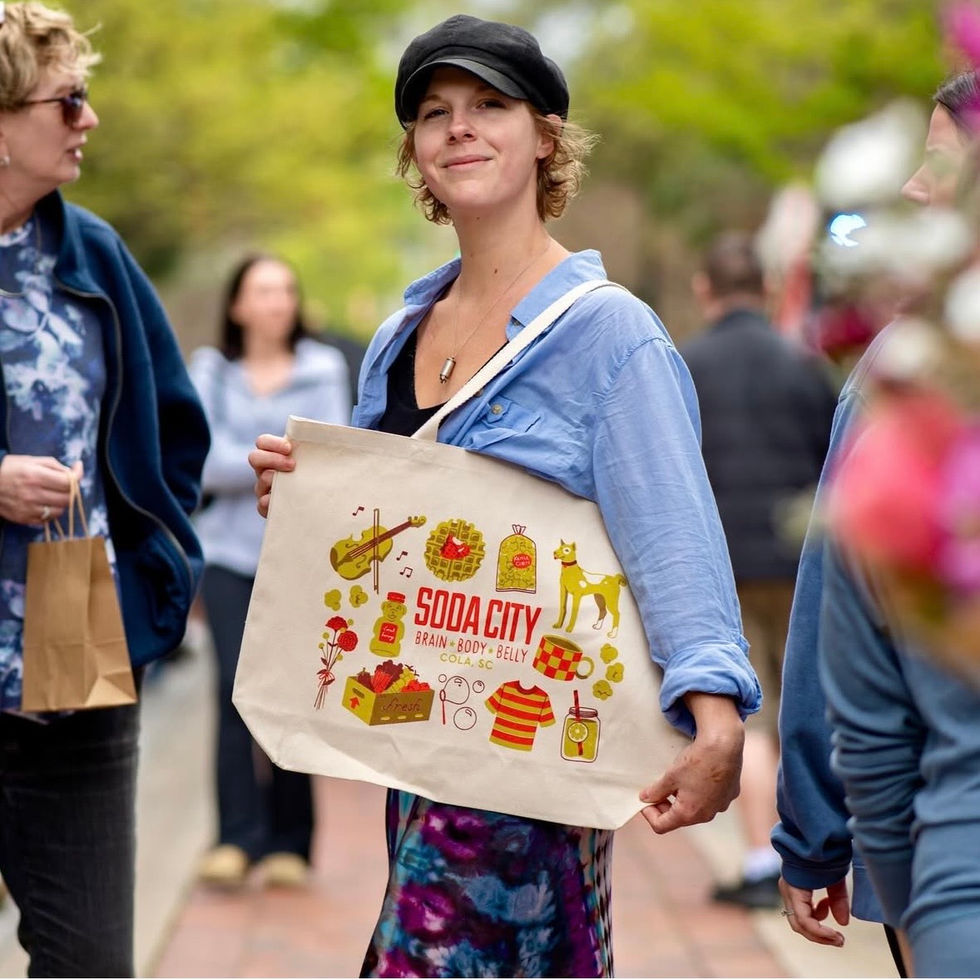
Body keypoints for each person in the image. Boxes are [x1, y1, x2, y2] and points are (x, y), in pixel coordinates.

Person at [250, 14, 760, 977]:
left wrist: (718, 717)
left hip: (539, 757)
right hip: (417, 753)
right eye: (435, 113)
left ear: (546, 136)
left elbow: (674, 535)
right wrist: (308, 508)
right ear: (414, 154)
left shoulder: (610, 335)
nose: (460, 128)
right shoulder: (400, 333)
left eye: (490, 105)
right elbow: (386, 548)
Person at [0, 3, 208, 975]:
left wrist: (146, 581)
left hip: (74, 642)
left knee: (89, 959)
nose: (88, 121)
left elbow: (171, 431)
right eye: (67, 101)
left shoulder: (95, 257)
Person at [772, 70, 980, 971]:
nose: (914, 186)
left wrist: (830, 842)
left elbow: (849, 659)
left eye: (942, 161)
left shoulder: (908, 377)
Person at [682, 230, 837, 908]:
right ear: (769, 289)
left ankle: (758, 859)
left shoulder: (684, 365)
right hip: (798, 560)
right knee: (801, 700)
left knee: (748, 709)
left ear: (704, 288)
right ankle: (813, 848)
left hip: (721, 560)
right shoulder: (804, 364)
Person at [190, 254, 351, 888]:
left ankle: (291, 844)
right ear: (237, 306)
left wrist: (249, 457)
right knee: (231, 689)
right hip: (227, 556)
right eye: (262, 291)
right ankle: (235, 839)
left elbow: (329, 455)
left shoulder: (323, 369)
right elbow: (197, 463)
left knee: (291, 692)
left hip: (300, 557)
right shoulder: (211, 372)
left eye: (286, 290)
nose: (277, 302)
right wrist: (273, 457)